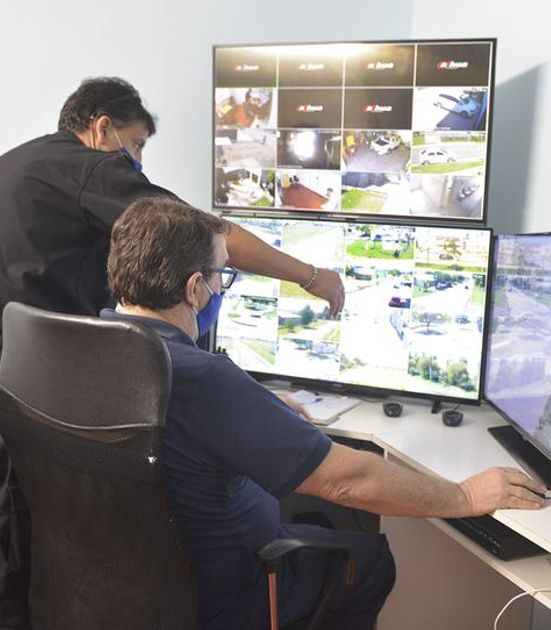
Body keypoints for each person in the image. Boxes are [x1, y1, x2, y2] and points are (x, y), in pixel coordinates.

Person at [102, 197, 546, 629]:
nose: (222, 289)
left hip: (122, 592)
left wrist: (254, 405)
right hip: (230, 595)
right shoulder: (203, 379)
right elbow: (348, 481)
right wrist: (464, 497)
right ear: (194, 287)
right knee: (369, 561)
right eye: (223, 276)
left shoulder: (89, 348)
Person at [0, 76, 344, 627]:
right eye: (135, 146)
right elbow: (211, 233)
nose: (136, 165)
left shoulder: (17, 165)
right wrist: (310, 276)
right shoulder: (89, 168)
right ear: (102, 128)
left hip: (27, 386)